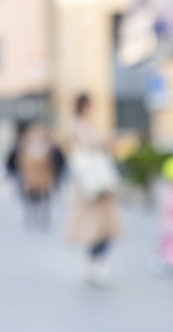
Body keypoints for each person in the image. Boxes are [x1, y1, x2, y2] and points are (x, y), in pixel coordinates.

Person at [66, 93, 122, 287]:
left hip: (96, 185)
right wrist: (111, 138)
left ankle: (94, 263)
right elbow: (94, 142)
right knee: (99, 228)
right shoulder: (81, 126)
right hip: (95, 185)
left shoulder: (82, 125)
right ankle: (94, 263)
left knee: (101, 229)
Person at [13, 122, 63, 230]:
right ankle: (32, 217)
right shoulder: (27, 147)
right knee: (31, 199)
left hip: (44, 177)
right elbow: (22, 162)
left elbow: (54, 161)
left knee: (44, 198)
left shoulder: (48, 147)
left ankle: (43, 218)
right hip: (32, 177)